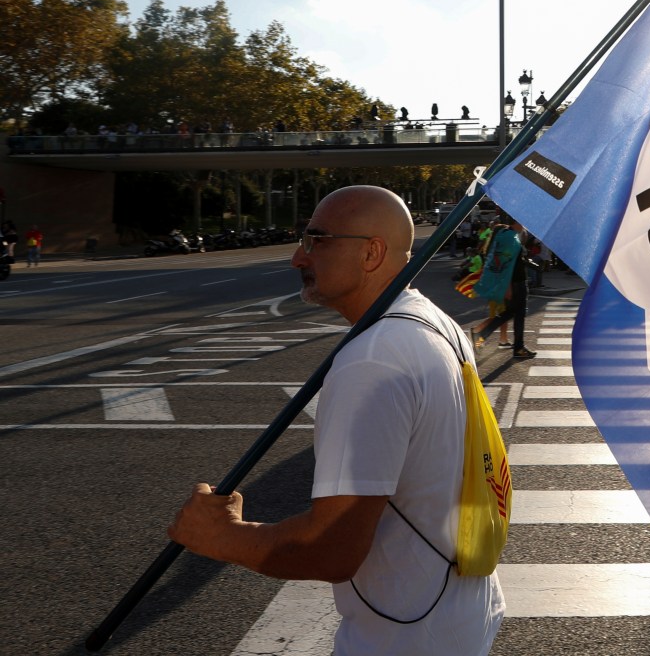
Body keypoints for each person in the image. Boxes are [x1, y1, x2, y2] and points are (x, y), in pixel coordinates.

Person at [167, 185, 505, 655]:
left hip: (404, 636)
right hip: (456, 611)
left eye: (316, 240)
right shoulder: (432, 321)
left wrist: (223, 537)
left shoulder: (373, 361)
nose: (297, 259)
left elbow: (331, 549)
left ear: (372, 253)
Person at [471, 213, 537, 360]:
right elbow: (505, 264)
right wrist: (507, 287)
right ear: (516, 221)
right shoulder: (510, 238)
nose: (525, 226)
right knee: (515, 314)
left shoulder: (506, 234)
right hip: (516, 283)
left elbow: (509, 261)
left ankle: (484, 335)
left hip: (514, 282)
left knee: (513, 313)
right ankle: (516, 347)